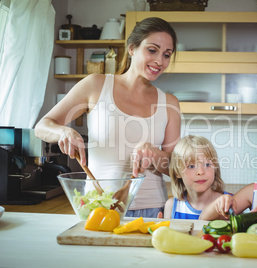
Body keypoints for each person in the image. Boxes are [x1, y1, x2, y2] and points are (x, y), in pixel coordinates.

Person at [34, 17, 181, 218]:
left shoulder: (170, 103)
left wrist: (154, 154)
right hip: (98, 206)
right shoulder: (96, 85)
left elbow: (175, 168)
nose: (160, 61)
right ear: (132, 48)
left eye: (167, 54)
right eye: (152, 50)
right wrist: (64, 131)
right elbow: (42, 126)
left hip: (153, 210)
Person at [164, 135, 231, 219]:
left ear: (215, 168)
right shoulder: (171, 206)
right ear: (177, 172)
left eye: (207, 164)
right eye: (191, 166)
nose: (200, 172)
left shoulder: (228, 202)